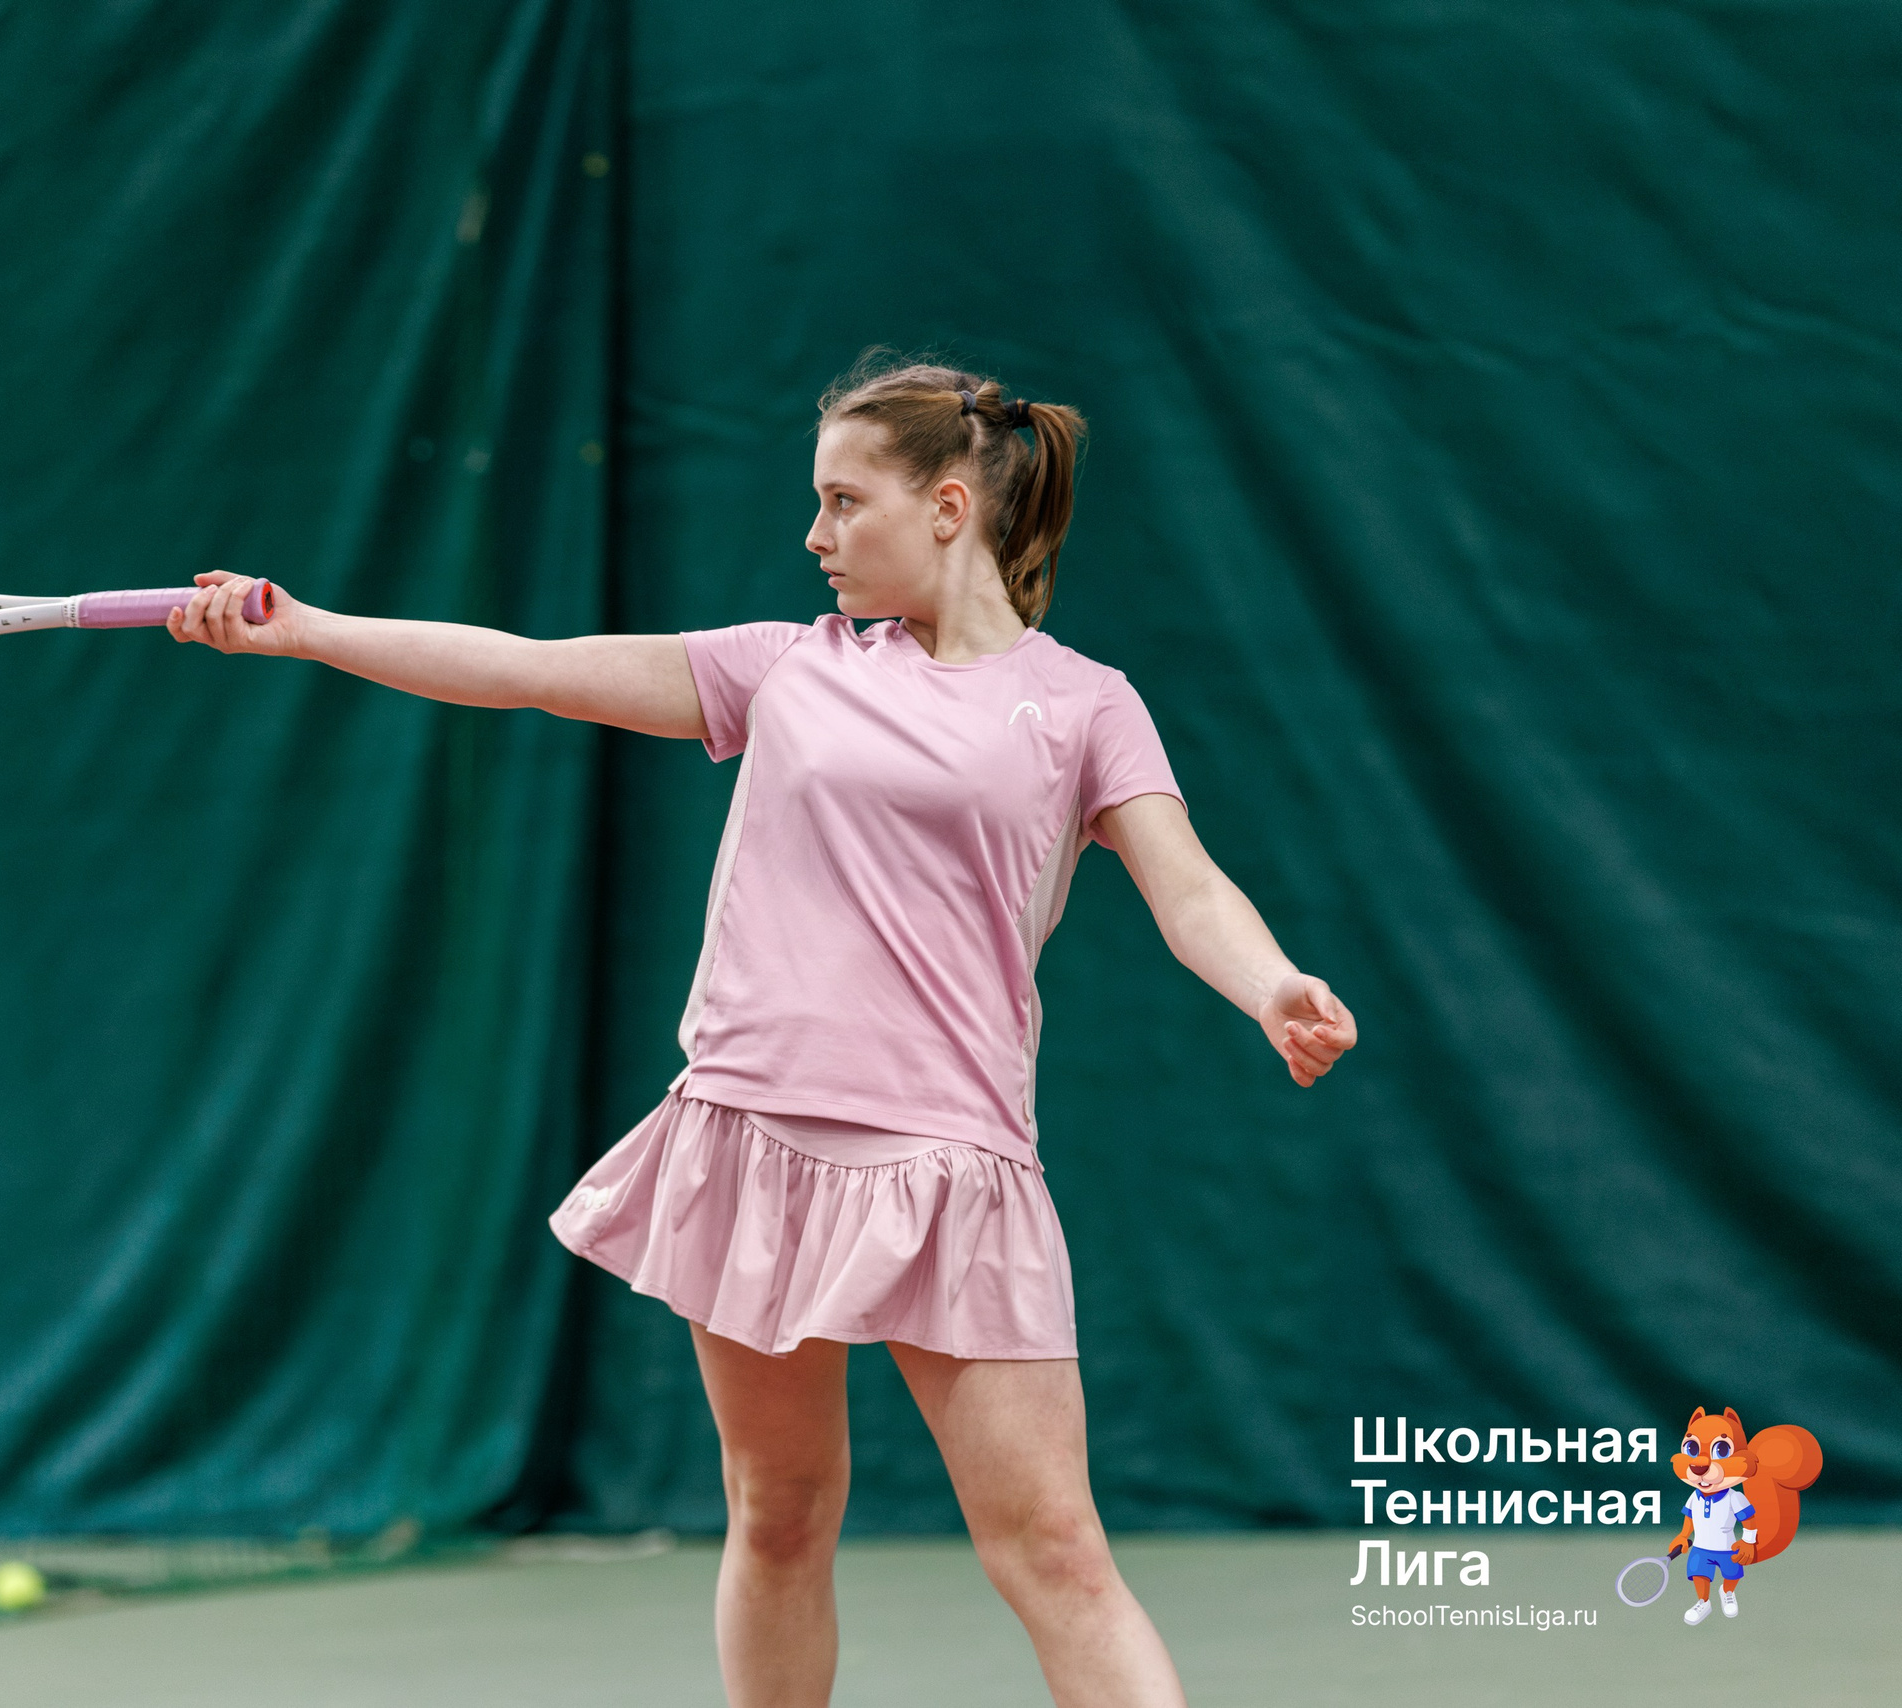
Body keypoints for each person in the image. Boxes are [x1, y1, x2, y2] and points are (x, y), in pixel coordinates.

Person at [168, 355, 1357, 1708]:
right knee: (780, 1514)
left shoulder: (1085, 703)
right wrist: (310, 627)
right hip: (751, 1138)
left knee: (1057, 1554)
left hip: (953, 1167)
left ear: (952, 508)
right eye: (817, 504)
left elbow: (1188, 883)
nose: (817, 535)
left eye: (847, 503)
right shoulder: (783, 669)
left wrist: (1269, 984)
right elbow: (529, 671)